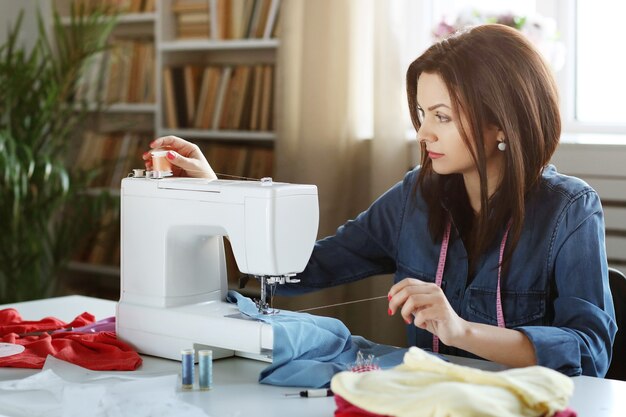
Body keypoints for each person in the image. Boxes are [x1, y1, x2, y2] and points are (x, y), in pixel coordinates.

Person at [144, 24, 615, 377]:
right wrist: (217, 198)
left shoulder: (569, 211)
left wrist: (461, 331)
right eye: (420, 113)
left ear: (501, 124)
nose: (423, 131)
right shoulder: (417, 195)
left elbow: (590, 352)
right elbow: (304, 267)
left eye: (442, 116)